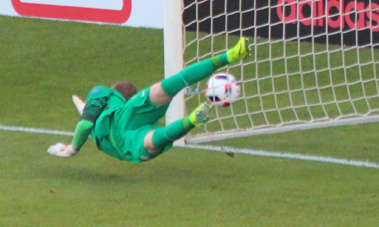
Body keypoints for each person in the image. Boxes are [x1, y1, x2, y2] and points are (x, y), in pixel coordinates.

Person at [47, 38, 248, 163]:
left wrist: (70, 150)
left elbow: (84, 124)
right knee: (172, 84)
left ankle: (193, 120)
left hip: (122, 134)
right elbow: (84, 117)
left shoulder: (100, 94)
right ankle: (230, 55)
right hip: (129, 115)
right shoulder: (112, 104)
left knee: (154, 140)